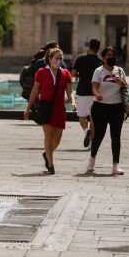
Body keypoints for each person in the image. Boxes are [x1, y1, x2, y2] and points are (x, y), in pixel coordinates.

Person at [24, 47, 76, 175]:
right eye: (56, 58)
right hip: (46, 108)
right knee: (48, 136)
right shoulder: (41, 72)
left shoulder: (65, 73)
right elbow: (35, 91)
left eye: (60, 58)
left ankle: (47, 154)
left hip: (60, 109)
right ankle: (51, 165)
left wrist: (73, 102)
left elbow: (70, 92)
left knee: (57, 138)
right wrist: (28, 108)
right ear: (50, 59)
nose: (58, 61)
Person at [87, 47, 128, 175]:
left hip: (117, 107)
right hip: (100, 107)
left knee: (116, 136)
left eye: (113, 55)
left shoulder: (120, 71)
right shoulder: (98, 71)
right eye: (108, 55)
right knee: (99, 134)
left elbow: (126, 87)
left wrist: (121, 82)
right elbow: (94, 86)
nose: (111, 57)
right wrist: (96, 94)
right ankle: (92, 159)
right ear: (103, 58)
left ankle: (116, 165)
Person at [72, 38, 103, 149]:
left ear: (89, 46)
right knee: (93, 118)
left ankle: (86, 131)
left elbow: (73, 73)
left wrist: (81, 75)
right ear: (98, 48)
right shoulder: (100, 60)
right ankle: (91, 143)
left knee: (81, 116)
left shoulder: (80, 58)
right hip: (96, 92)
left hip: (83, 91)